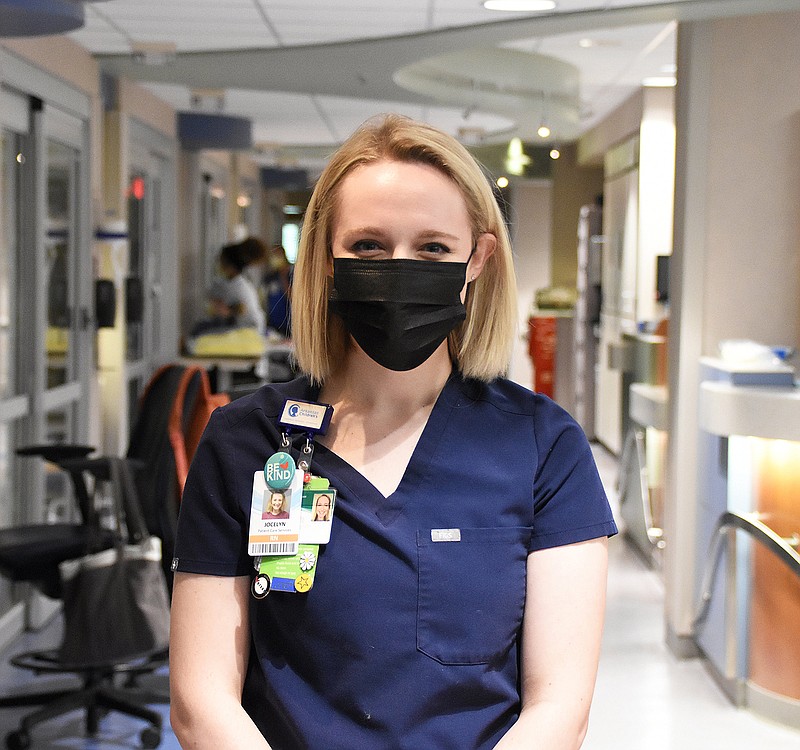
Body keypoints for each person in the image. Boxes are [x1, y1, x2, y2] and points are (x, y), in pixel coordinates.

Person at [170, 114, 617, 749]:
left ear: (478, 259)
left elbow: (559, 710)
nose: (398, 270)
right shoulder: (245, 442)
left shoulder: (544, 446)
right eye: (370, 246)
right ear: (326, 257)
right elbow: (200, 699)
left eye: (433, 248)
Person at [197, 237, 268, 336]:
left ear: (230, 265)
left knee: (201, 333)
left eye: (221, 261)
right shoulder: (232, 283)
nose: (218, 264)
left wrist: (225, 310)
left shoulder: (238, 287)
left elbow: (237, 310)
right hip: (248, 330)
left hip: (249, 332)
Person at [262, 243, 293, 338]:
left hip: (288, 323)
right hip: (273, 322)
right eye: (273, 256)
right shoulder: (270, 276)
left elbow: (293, 297)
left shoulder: (291, 274)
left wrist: (283, 277)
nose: (275, 258)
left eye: (278, 255)